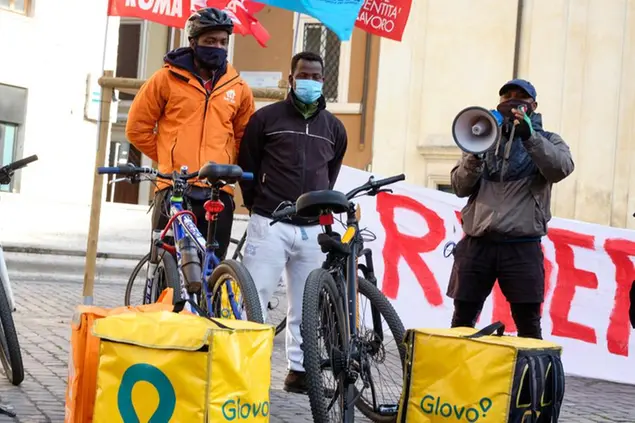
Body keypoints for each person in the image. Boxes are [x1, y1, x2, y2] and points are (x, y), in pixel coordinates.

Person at [238, 51, 348, 393]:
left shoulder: (334, 128)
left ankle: (298, 373)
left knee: (306, 304)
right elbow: (248, 167)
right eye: (304, 75)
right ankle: (243, 371)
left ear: (322, 80)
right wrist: (258, 204)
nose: (310, 81)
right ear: (291, 78)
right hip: (270, 221)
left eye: (316, 76)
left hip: (312, 229)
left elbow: (330, 175)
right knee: (255, 296)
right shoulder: (265, 119)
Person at [447, 79, 575, 339]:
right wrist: (474, 154)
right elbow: (460, 187)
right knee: (462, 320)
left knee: (528, 324)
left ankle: (530, 380)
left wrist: (531, 138)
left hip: (521, 246)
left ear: (533, 105)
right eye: (507, 97)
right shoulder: (484, 139)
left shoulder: (548, 140)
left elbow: (561, 168)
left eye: (521, 97)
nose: (513, 101)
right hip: (477, 244)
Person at [126, 7, 255, 262]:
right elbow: (137, 128)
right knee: (168, 263)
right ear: (193, 42)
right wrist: (170, 157)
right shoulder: (165, 79)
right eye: (210, 41)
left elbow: (243, 138)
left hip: (218, 190)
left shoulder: (239, 87)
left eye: (222, 42)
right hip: (174, 186)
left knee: (213, 268)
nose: (217, 47)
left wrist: (228, 165)